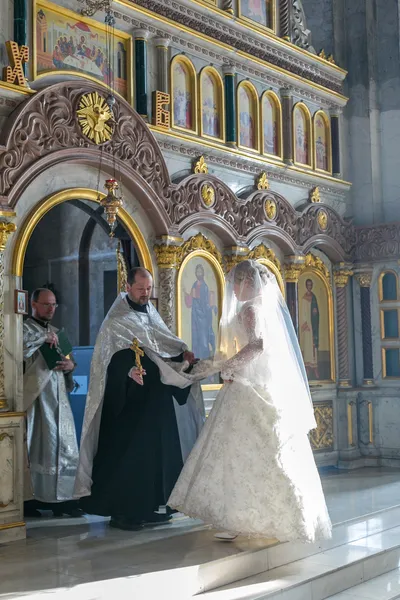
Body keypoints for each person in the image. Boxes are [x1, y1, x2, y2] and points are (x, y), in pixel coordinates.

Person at [169, 260, 332, 542]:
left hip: (248, 387)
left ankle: (240, 518)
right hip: (261, 385)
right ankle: (264, 518)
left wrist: (229, 368)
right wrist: (215, 365)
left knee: (238, 452)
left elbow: (257, 345)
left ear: (246, 283)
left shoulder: (249, 309)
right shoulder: (264, 309)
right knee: (258, 452)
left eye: (235, 283)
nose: (233, 288)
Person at [76, 267, 205, 531]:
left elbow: (164, 345)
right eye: (140, 289)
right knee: (129, 457)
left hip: (156, 399)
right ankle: (123, 512)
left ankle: (150, 507)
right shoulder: (115, 321)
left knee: (157, 454)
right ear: (127, 286)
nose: (146, 294)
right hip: (129, 405)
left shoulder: (152, 314)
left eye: (149, 289)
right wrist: (127, 371)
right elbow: (106, 362)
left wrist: (183, 357)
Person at [23, 288, 81, 518]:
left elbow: (69, 361)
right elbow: (19, 350)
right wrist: (42, 337)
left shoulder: (59, 333)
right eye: (46, 304)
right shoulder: (22, 329)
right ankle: (32, 498)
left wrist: (71, 367)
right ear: (33, 304)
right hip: (36, 399)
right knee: (39, 448)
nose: (50, 309)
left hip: (60, 401)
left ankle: (63, 498)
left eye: (54, 305)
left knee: (63, 448)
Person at [185, 263, 217, 360]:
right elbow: (191, 300)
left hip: (203, 315)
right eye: (197, 272)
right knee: (196, 337)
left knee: (203, 338)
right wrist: (186, 295)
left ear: (203, 273)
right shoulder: (195, 284)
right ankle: (195, 358)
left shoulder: (204, 286)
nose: (198, 273)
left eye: (200, 272)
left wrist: (210, 307)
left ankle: (204, 359)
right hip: (195, 315)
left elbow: (205, 301)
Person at [300, 278, 320, 380]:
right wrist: (305, 324)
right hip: (308, 325)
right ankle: (307, 367)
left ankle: (314, 367)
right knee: (308, 346)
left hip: (313, 324)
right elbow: (303, 312)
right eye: (308, 285)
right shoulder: (304, 298)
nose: (309, 286)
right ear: (306, 285)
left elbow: (316, 312)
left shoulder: (314, 297)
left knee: (313, 347)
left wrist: (315, 313)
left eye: (310, 285)